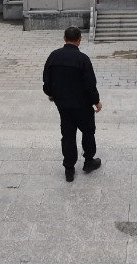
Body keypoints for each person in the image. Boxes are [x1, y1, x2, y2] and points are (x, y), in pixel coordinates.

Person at [43, 26, 102, 182]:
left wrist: (52, 94)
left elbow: (46, 80)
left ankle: (69, 168)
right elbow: (90, 84)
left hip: (63, 104)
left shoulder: (53, 56)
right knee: (88, 131)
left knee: (68, 135)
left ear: (64, 38)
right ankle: (88, 161)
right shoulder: (83, 59)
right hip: (82, 105)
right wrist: (96, 101)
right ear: (79, 40)